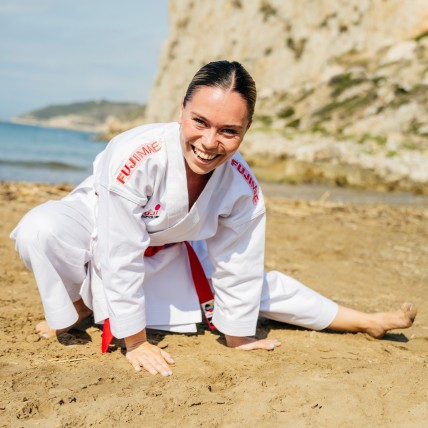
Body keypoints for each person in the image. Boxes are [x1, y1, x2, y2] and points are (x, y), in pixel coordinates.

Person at [10, 60, 417, 377]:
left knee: (261, 289)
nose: (209, 143)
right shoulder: (135, 155)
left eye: (228, 131)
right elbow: (119, 253)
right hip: (98, 226)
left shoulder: (242, 186)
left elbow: (239, 264)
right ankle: (76, 308)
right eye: (199, 121)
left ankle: (366, 321)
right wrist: (134, 342)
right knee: (39, 230)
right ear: (181, 110)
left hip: (172, 248)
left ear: (247, 129)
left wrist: (238, 337)